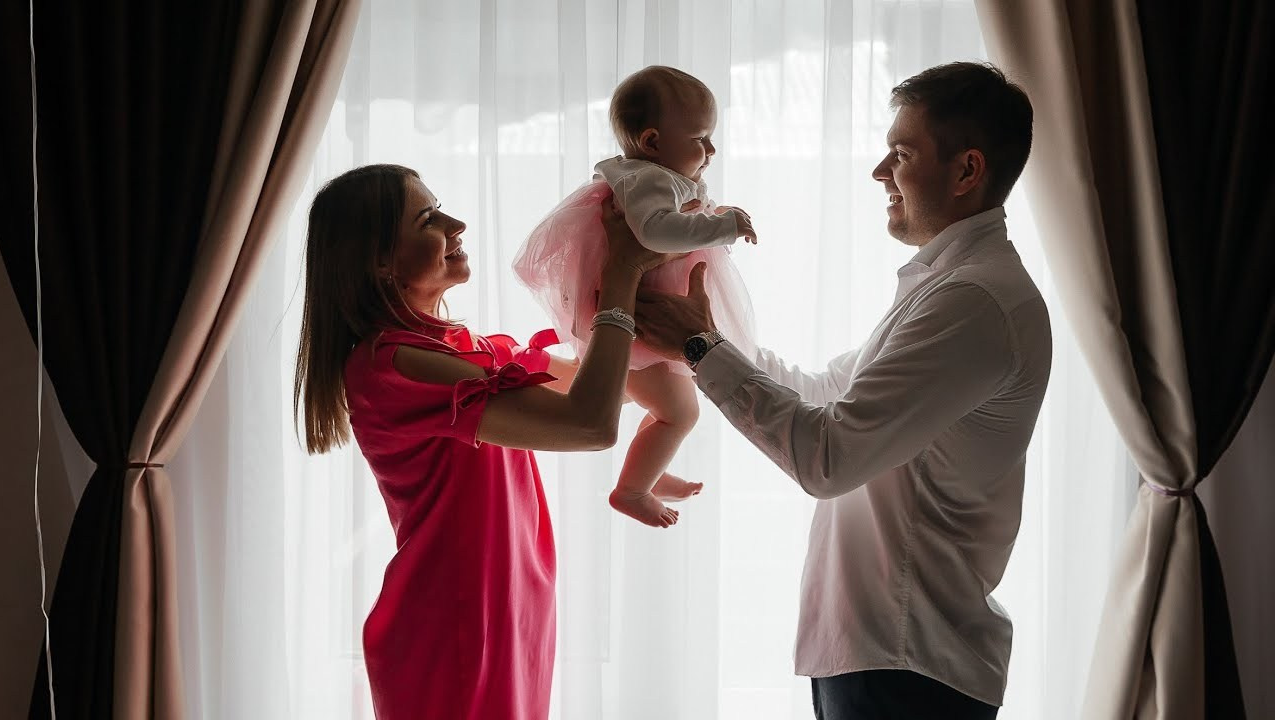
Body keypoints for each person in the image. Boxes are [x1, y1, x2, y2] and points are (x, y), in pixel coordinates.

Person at [634, 62, 1051, 719]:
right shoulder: (951, 286)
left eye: (901, 154)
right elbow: (827, 390)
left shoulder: (973, 301)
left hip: (908, 661)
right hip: (883, 652)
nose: (879, 172)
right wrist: (703, 339)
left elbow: (829, 457)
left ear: (967, 170)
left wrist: (701, 348)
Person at [293, 163, 677, 719]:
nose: (457, 223)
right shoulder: (391, 366)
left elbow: (610, 389)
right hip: (453, 632)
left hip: (507, 616)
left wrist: (664, 313)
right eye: (428, 218)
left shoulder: (461, 347)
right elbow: (589, 424)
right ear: (379, 262)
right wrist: (620, 277)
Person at [513, 65, 759, 528]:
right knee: (680, 412)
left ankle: (650, 469)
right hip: (636, 318)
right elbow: (656, 232)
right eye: (701, 138)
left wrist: (711, 214)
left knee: (672, 404)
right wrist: (724, 224)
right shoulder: (649, 180)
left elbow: (675, 224)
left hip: (642, 315)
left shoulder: (653, 177)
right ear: (651, 142)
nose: (710, 150)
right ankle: (631, 490)